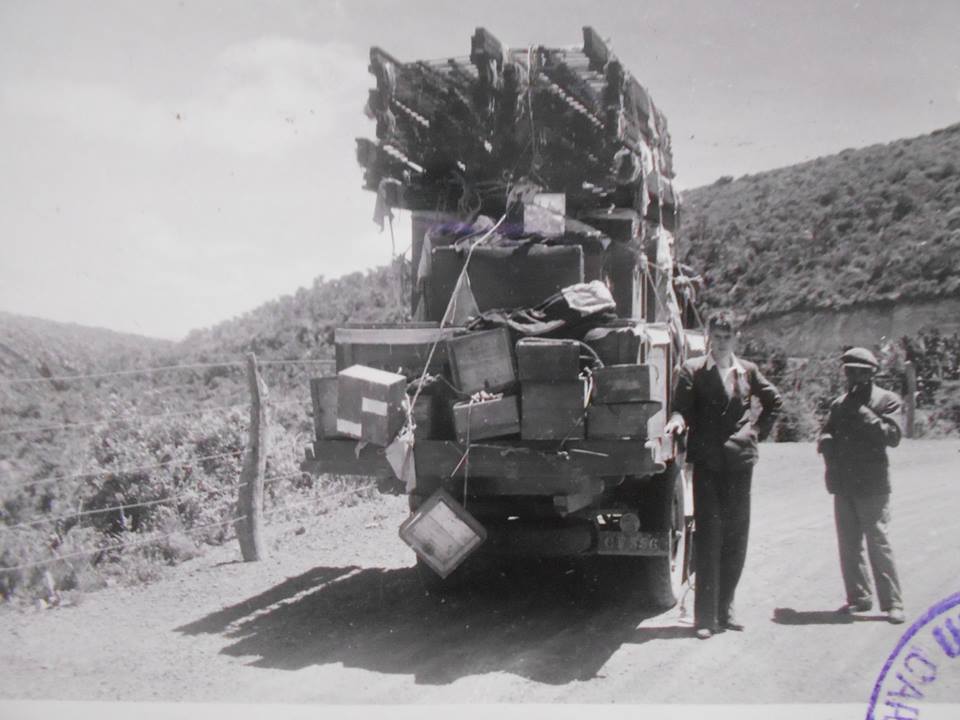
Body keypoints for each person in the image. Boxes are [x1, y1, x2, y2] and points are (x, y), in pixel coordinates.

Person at [664, 311, 782, 639]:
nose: (720, 342)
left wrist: (756, 432)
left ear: (736, 338)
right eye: (716, 336)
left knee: (736, 537)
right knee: (709, 536)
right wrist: (677, 421)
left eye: (727, 336)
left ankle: (725, 608)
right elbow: (680, 408)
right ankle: (704, 618)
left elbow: (774, 402)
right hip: (708, 465)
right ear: (707, 337)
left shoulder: (748, 371)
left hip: (740, 462)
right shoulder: (692, 370)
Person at [817, 347, 905, 624]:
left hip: (873, 484)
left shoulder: (887, 401)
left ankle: (893, 603)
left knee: (878, 542)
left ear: (872, 373)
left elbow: (892, 436)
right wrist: (826, 442)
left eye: (860, 371)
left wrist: (864, 414)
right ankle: (859, 598)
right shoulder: (839, 404)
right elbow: (827, 431)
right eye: (850, 371)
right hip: (844, 483)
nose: (854, 376)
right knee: (849, 544)